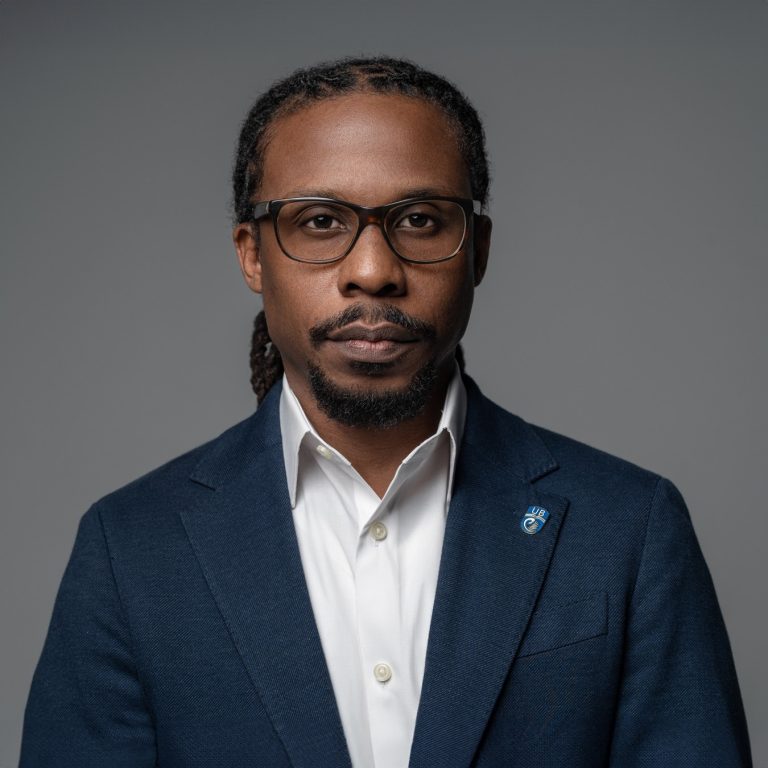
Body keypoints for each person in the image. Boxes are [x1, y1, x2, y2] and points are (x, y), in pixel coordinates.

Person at [20, 57, 751, 768]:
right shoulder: (132, 550)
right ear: (252, 255)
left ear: (478, 251)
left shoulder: (626, 529)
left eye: (421, 220)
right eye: (319, 221)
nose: (373, 271)